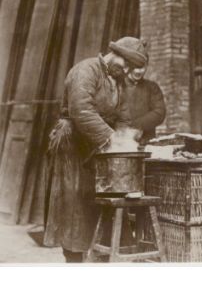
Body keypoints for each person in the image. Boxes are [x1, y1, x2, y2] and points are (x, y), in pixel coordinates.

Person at [43, 37, 148, 263]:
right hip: (72, 144)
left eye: (132, 67)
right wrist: (112, 139)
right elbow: (82, 111)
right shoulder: (86, 70)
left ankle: (96, 257)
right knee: (73, 206)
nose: (128, 70)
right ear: (115, 53)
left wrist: (126, 139)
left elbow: (123, 116)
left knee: (95, 203)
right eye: (126, 64)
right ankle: (73, 261)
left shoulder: (117, 80)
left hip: (96, 146)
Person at [123, 54, 166, 145]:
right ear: (127, 66)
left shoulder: (152, 87)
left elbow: (159, 113)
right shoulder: (117, 85)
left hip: (146, 142)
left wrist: (136, 126)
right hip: (120, 141)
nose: (139, 71)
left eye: (142, 67)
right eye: (135, 67)